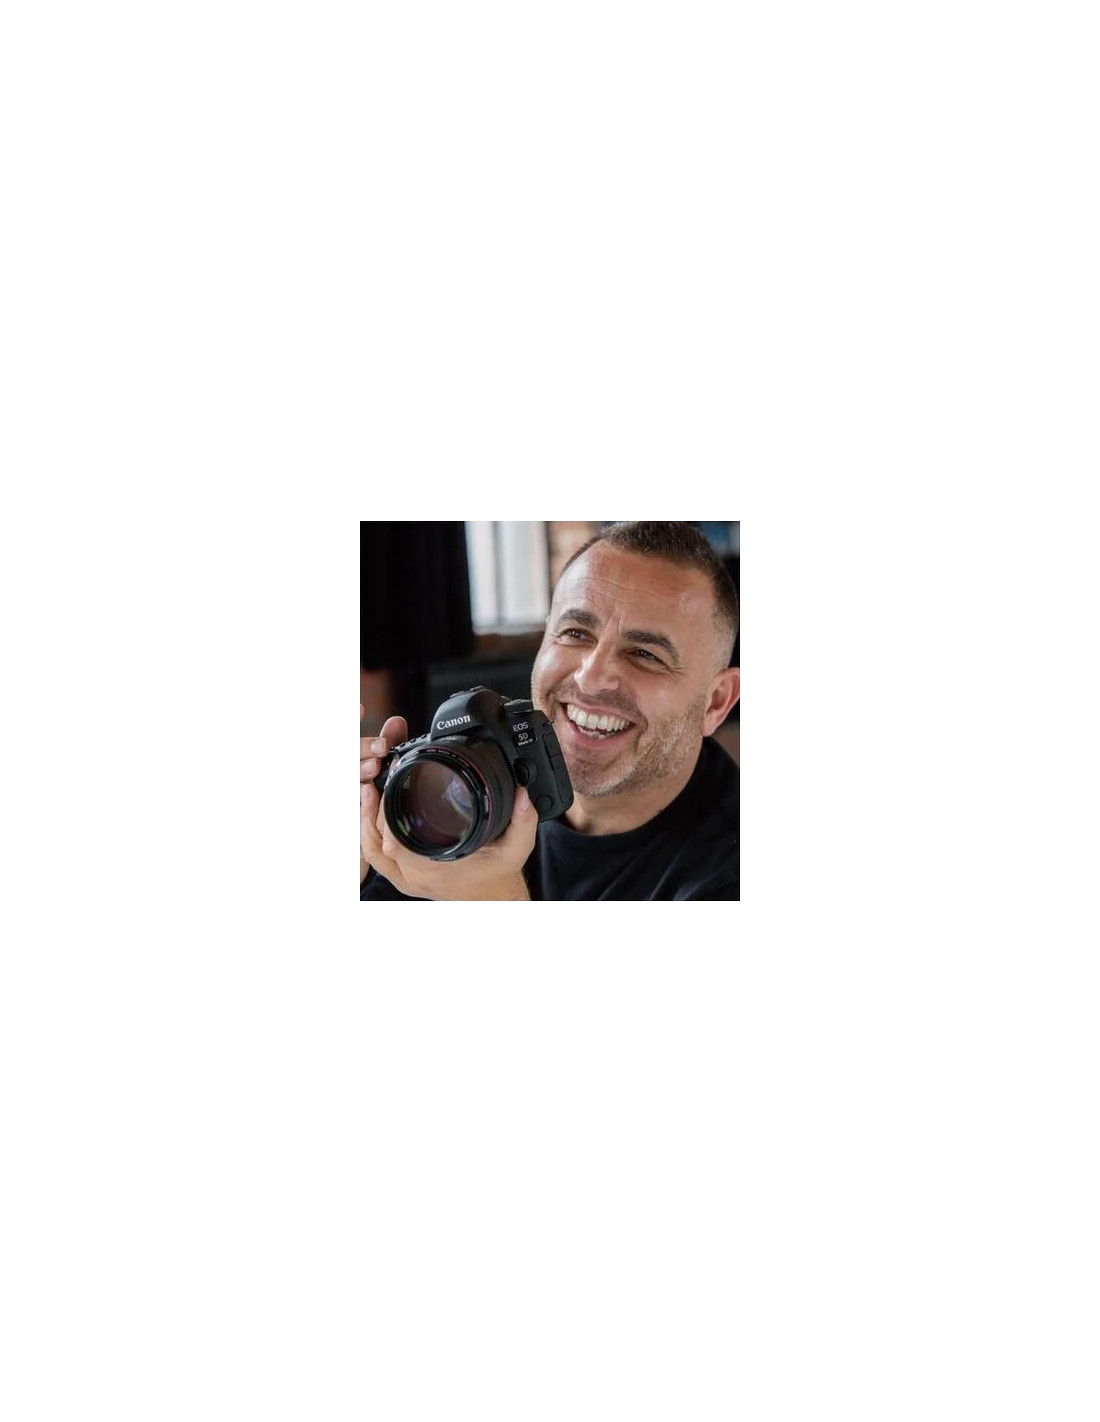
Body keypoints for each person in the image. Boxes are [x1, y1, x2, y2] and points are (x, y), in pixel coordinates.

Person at [360, 521, 741, 901]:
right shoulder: (455, 794)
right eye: (575, 633)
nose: (591, 678)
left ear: (717, 702)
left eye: (645, 654)